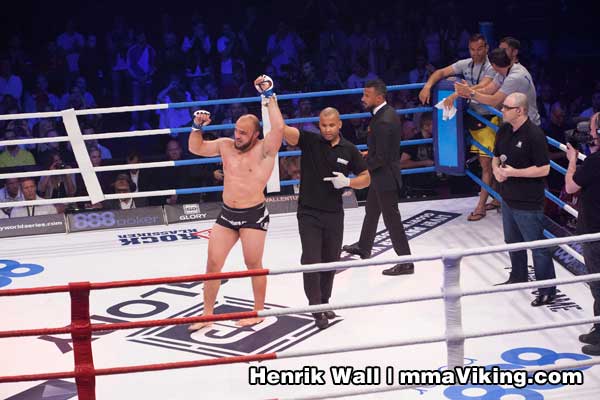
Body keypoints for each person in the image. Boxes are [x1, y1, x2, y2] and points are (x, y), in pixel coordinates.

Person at [188, 75, 284, 330]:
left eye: (243, 133)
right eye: (236, 131)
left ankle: (257, 311)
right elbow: (196, 148)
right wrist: (197, 127)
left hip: (253, 214)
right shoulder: (225, 145)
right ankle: (207, 314)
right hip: (227, 214)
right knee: (213, 263)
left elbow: (278, 129)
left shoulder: (265, 150)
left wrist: (269, 96)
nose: (237, 136)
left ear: (255, 135)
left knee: (253, 265)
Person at [282, 106, 370, 329]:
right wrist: (270, 100)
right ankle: (316, 307)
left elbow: (366, 177)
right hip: (309, 212)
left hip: (334, 213)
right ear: (318, 125)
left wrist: (348, 182)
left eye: (331, 125)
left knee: (330, 260)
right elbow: (282, 129)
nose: (328, 129)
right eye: (323, 125)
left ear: (339, 124)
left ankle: (324, 301)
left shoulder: (349, 149)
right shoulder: (310, 141)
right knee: (311, 260)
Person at [418, 33, 499, 220]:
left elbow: (484, 86)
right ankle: (496, 198)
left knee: (486, 165)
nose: (476, 53)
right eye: (472, 49)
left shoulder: (491, 66)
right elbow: (440, 73)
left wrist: (457, 94)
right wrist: (427, 86)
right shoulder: (466, 64)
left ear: (486, 48)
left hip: (489, 119)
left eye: (480, 49)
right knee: (486, 164)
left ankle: (480, 206)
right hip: (472, 118)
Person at [342, 79, 415, 276]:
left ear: (379, 97)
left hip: (385, 177)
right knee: (372, 210)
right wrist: (370, 154)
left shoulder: (383, 120)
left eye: (367, 95)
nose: (362, 98)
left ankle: (406, 262)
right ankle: (364, 246)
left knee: (392, 220)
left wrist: (361, 168)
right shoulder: (385, 113)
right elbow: (384, 148)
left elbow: (382, 157)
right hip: (381, 174)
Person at [492, 92, 556, 306]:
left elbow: (544, 169)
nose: (502, 110)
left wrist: (514, 173)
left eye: (506, 107)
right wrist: (497, 172)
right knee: (512, 241)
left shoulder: (534, 135)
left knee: (537, 247)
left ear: (519, 110)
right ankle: (518, 276)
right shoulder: (504, 130)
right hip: (508, 197)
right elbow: (495, 157)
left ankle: (547, 290)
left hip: (528, 201)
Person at [565, 112, 600, 356]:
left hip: (596, 232)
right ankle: (598, 329)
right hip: (595, 229)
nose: (590, 132)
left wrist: (572, 161)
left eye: (593, 128)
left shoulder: (596, 162)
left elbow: (570, 187)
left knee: (598, 285)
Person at [454, 48, 540, 126]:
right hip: (514, 121)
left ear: (493, 65)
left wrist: (471, 93)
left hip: (527, 124)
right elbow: (488, 90)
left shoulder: (514, 77)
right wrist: (468, 90)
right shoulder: (503, 72)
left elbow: (494, 101)